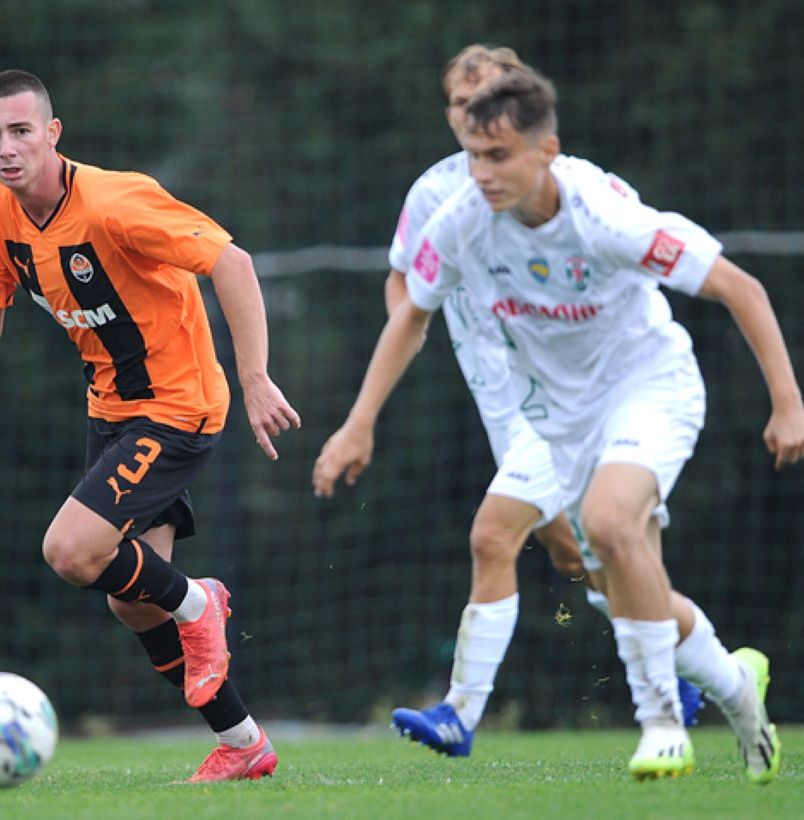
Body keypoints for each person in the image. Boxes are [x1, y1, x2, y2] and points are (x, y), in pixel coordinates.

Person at [314, 67, 803, 781]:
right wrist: (358, 423)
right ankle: (736, 688)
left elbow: (741, 287)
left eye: (499, 156)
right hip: (561, 421)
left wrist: (788, 403)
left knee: (608, 523)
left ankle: (661, 724)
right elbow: (411, 313)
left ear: (546, 150)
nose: (482, 174)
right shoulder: (460, 220)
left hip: (649, 389)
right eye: (474, 156)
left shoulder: (605, 215)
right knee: (615, 579)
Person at [0, 69, 301, 782]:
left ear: (52, 133)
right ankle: (244, 742)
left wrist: (255, 379)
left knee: (69, 551)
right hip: (112, 412)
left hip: (178, 406)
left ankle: (202, 601)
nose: (7, 147)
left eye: (21, 130)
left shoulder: (115, 201)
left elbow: (232, 262)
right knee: (133, 602)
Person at [378, 45, 701, 759]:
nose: (474, 114)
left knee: (496, 536)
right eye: (461, 104)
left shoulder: (573, 187)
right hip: (500, 402)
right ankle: (706, 666)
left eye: (488, 100)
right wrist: (410, 324)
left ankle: (461, 712)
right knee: (591, 563)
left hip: (566, 398)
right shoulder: (437, 195)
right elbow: (403, 279)